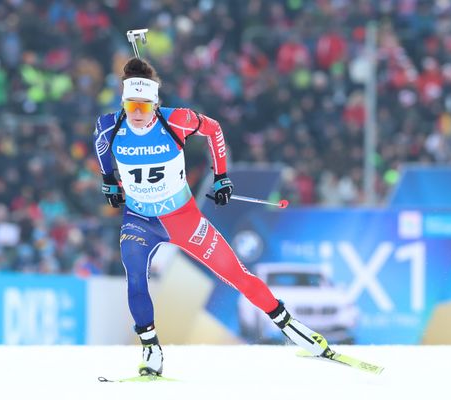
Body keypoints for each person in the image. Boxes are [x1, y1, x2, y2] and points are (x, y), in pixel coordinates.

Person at [93, 57, 331, 377]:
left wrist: (221, 176)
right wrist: (109, 179)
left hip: (182, 218)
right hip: (140, 219)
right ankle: (151, 350)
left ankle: (292, 328)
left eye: (144, 108)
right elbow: (100, 147)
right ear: (123, 102)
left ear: (156, 104)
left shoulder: (175, 121)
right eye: (131, 106)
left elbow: (214, 129)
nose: (137, 115)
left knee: (235, 273)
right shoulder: (110, 125)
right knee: (135, 277)